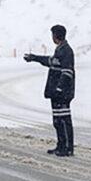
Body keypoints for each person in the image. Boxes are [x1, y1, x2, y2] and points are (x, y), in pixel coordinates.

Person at [23, 25, 75, 156]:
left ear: (56, 36)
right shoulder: (60, 50)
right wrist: (35, 58)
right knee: (57, 121)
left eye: (53, 34)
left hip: (62, 93)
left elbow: (67, 72)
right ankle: (60, 145)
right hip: (56, 93)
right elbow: (50, 61)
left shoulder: (66, 51)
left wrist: (59, 88)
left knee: (64, 120)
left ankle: (67, 148)